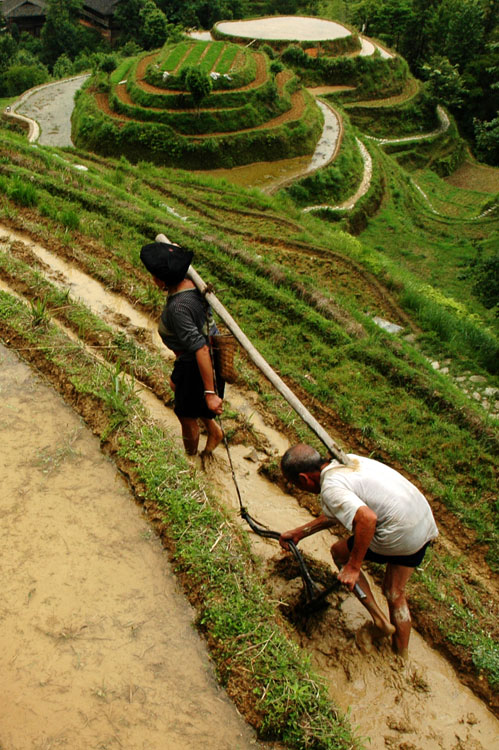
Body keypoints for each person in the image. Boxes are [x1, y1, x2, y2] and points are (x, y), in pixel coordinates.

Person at [279, 444, 438, 658]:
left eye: (295, 485)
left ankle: (380, 622)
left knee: (339, 553)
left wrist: (353, 567)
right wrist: (300, 532)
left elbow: (367, 519)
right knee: (394, 592)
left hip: (397, 532)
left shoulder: (330, 488)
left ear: (303, 479)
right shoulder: (347, 461)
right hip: (421, 525)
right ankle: (401, 656)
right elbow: (344, 511)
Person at [140, 236, 224, 457]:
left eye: (154, 276)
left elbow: (201, 349)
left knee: (185, 415)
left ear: (161, 280)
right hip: (192, 359)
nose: (152, 278)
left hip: (196, 363)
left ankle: (190, 458)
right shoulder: (189, 279)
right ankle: (213, 430)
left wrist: (210, 393)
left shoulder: (179, 308)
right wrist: (172, 251)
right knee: (175, 385)